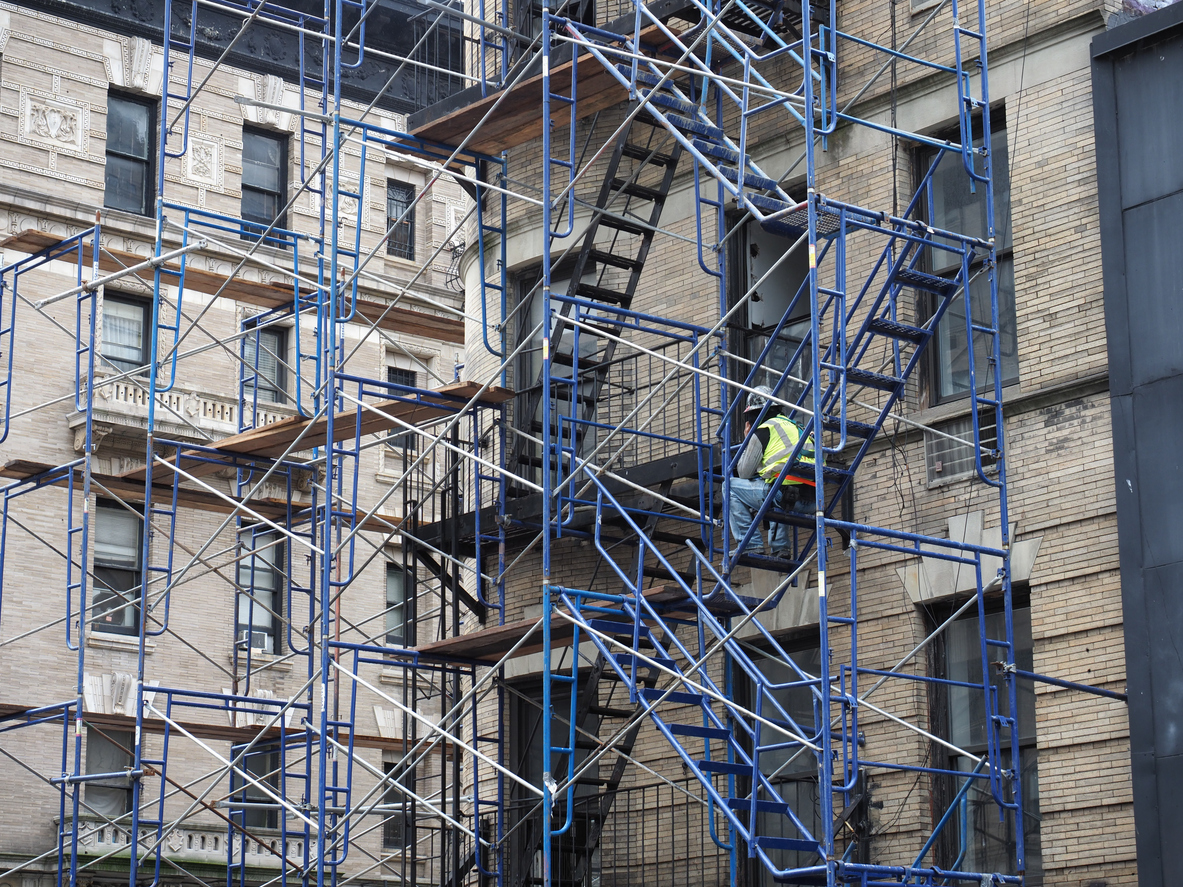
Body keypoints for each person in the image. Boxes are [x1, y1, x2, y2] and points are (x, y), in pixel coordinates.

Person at [728, 385, 818, 557]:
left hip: (784, 496)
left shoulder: (764, 430)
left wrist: (748, 440)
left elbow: (744, 472)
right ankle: (780, 547)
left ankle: (750, 544)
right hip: (814, 501)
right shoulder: (798, 428)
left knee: (729, 486)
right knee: (777, 483)